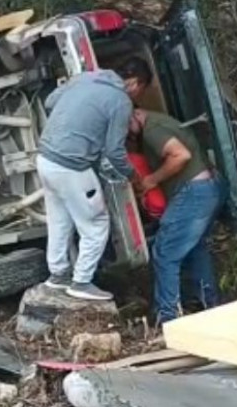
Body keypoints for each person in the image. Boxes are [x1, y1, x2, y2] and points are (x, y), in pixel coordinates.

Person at [36, 57, 152, 301]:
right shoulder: (120, 101)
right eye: (141, 90)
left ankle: (58, 276)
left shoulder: (86, 78)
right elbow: (114, 150)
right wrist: (133, 176)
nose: (137, 97)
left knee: (60, 220)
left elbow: (49, 102)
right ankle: (81, 282)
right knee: (96, 224)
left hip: (45, 159)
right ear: (135, 82)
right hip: (72, 167)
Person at [128, 108, 226, 324]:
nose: (127, 132)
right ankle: (207, 303)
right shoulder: (161, 122)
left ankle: (168, 316)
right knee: (196, 248)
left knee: (165, 252)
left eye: (126, 125)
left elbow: (181, 155)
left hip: (194, 192)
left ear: (135, 113)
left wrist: (152, 180)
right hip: (209, 188)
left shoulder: (153, 128)